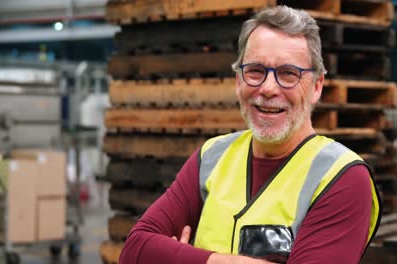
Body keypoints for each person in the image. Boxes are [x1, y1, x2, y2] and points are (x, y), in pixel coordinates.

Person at [118, 5, 381, 264]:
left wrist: (180, 257)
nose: (268, 88)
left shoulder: (341, 177)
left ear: (316, 87)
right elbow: (134, 250)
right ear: (238, 81)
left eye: (288, 74)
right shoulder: (211, 158)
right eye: (255, 71)